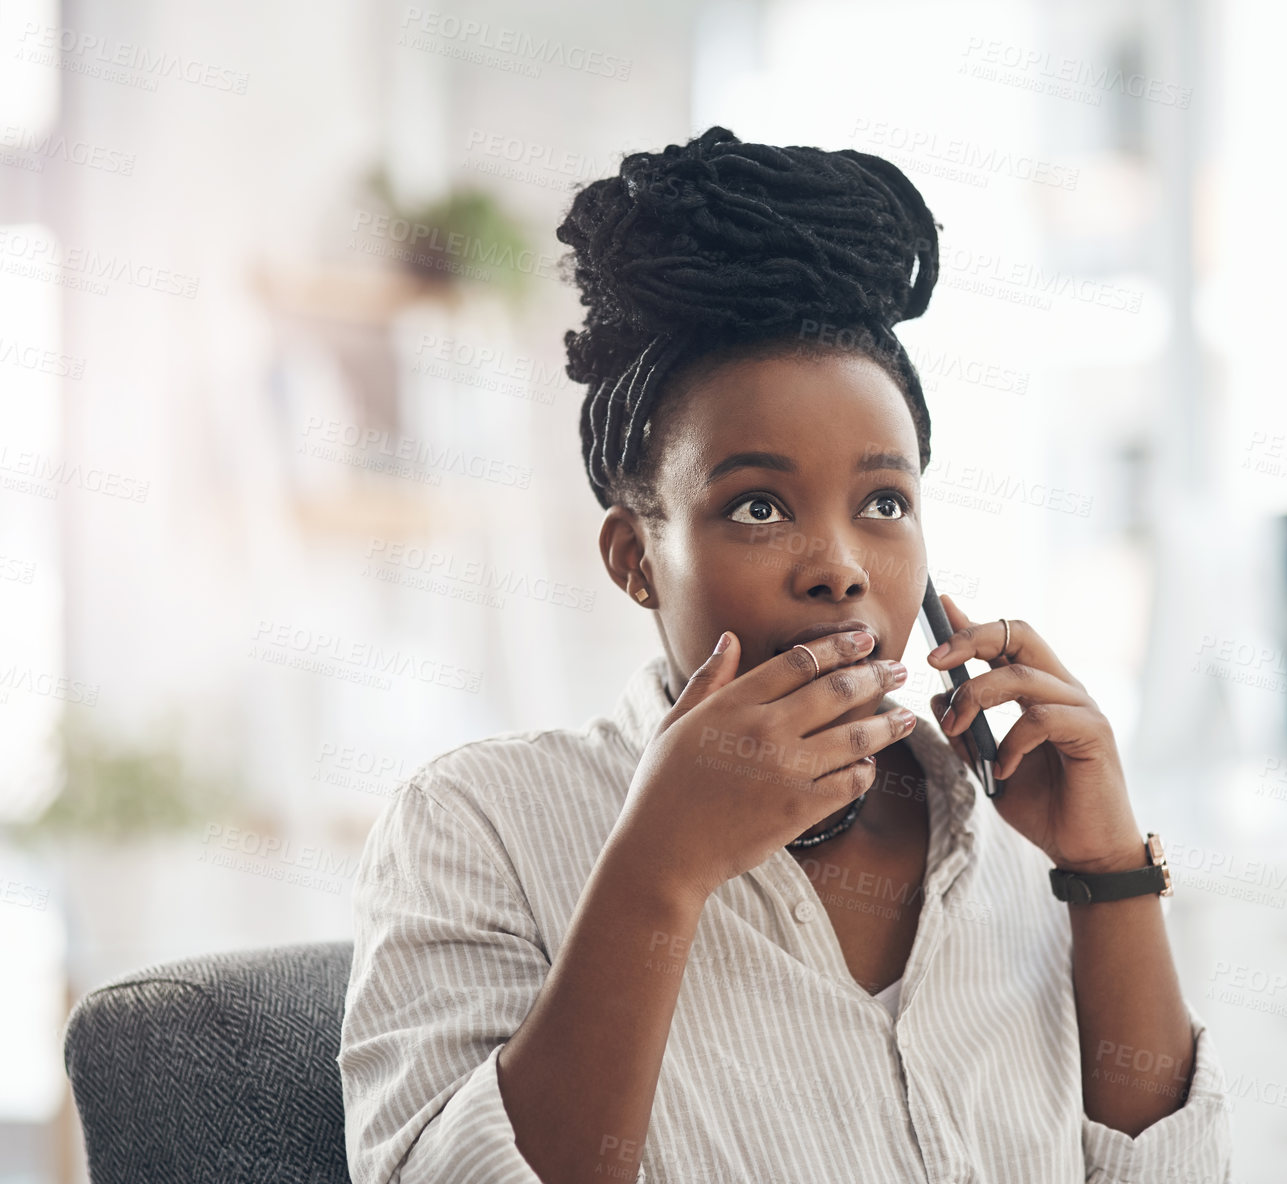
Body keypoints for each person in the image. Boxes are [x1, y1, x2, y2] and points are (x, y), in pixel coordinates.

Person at [338, 126, 1233, 1184]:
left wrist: (1107, 872)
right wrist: (659, 871)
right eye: (758, 505)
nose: (841, 567)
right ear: (635, 556)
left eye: (884, 502)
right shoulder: (480, 822)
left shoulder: (1014, 830)